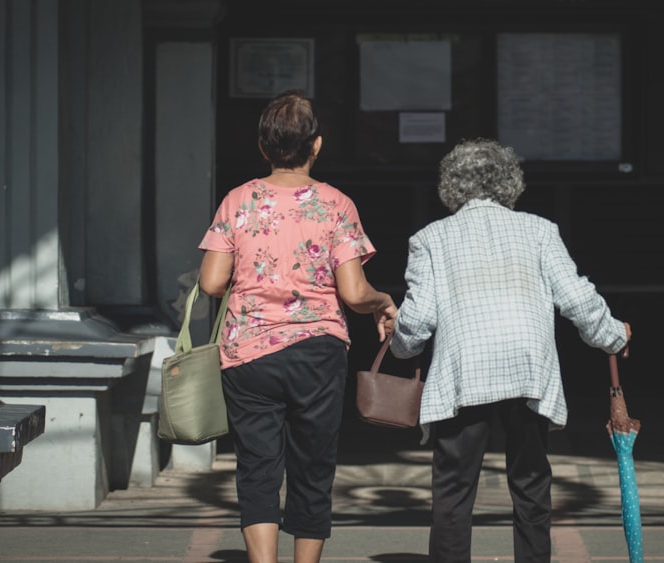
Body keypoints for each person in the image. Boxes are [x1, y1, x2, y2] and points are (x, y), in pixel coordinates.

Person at [390, 138, 632, 563]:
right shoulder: (540, 230)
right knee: (531, 482)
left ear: (451, 185)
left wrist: (400, 346)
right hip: (527, 368)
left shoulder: (430, 238)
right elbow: (577, 298)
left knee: (453, 487)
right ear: (509, 182)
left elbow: (417, 320)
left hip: (463, 372)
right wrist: (614, 335)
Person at [197, 90, 397, 563]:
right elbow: (353, 292)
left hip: (247, 354)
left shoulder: (238, 200)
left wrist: (257, 295)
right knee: (312, 466)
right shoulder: (336, 205)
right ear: (317, 146)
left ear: (264, 148)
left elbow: (210, 283)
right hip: (317, 351)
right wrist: (383, 301)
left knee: (258, 465)